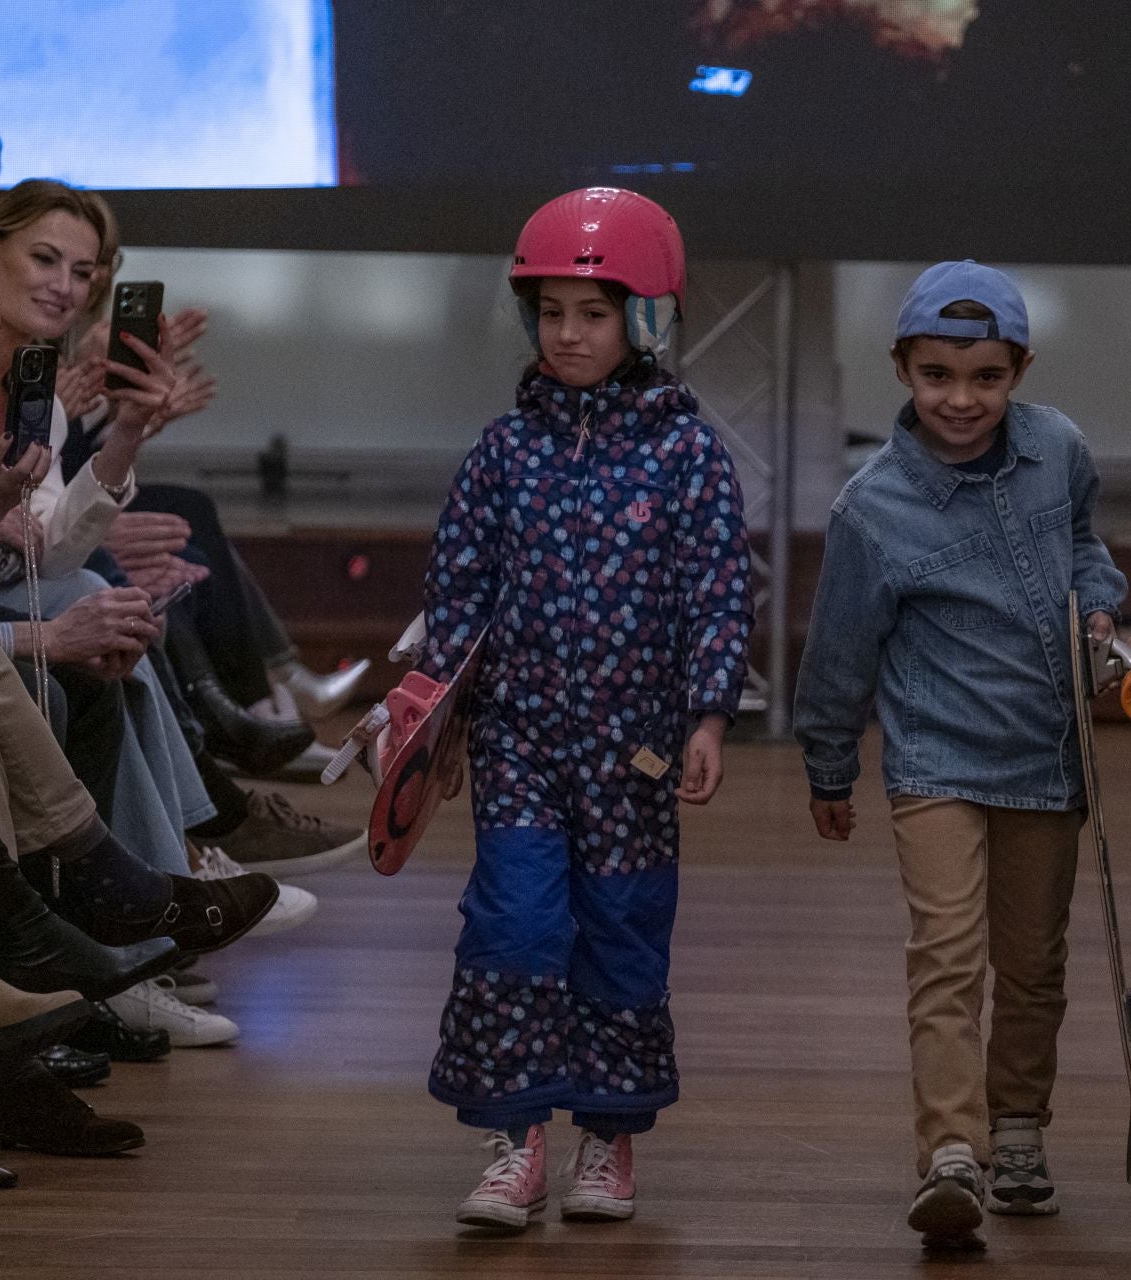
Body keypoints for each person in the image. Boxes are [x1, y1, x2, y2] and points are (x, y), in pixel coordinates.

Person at [414, 187, 751, 1231]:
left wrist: (707, 715)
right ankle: (514, 1142)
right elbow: (458, 590)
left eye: (593, 313)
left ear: (644, 320)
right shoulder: (501, 454)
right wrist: (440, 720)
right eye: (552, 311)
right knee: (513, 922)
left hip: (637, 751)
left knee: (620, 930)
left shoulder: (689, 457)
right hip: (518, 735)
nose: (569, 333)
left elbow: (717, 591)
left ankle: (609, 1137)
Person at [793, 260, 1130, 1250]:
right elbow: (839, 647)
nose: (960, 398)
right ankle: (951, 1150)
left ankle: (1019, 1127)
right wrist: (827, 763)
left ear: (1019, 368)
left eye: (985, 376)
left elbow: (1082, 547)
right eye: (937, 374)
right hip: (934, 760)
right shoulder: (873, 507)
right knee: (946, 954)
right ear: (902, 368)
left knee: (1032, 962)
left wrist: (1100, 609)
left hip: (1046, 753)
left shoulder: (1059, 449)